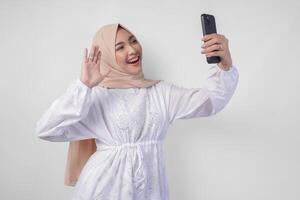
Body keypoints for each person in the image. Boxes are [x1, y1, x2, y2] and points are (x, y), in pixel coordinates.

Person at [35, 23, 239, 200]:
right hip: (102, 191)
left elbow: (211, 102)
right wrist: (83, 86)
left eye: (133, 41)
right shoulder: (96, 97)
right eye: (120, 47)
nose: (132, 50)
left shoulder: (160, 93)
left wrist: (225, 65)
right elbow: (46, 130)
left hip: (151, 190)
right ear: (106, 55)